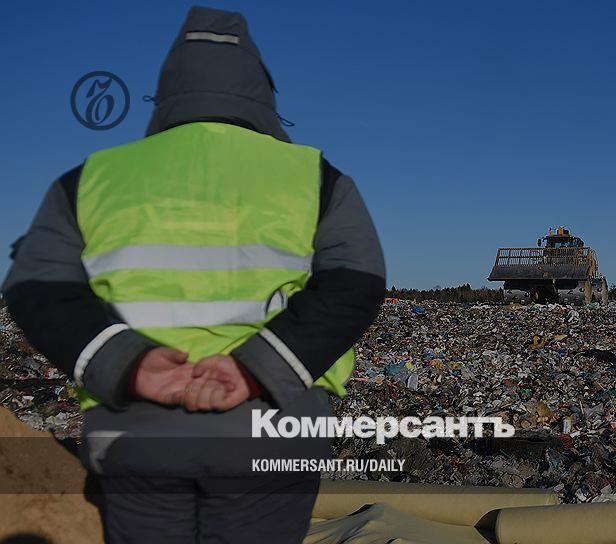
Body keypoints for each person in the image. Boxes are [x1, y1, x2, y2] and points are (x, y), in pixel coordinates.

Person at [1, 6, 385, 543]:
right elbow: (355, 283)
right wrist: (255, 369)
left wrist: (129, 364)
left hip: (136, 429)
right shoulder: (316, 176)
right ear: (261, 91)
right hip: (271, 428)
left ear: (166, 90)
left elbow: (36, 286)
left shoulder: (92, 177)